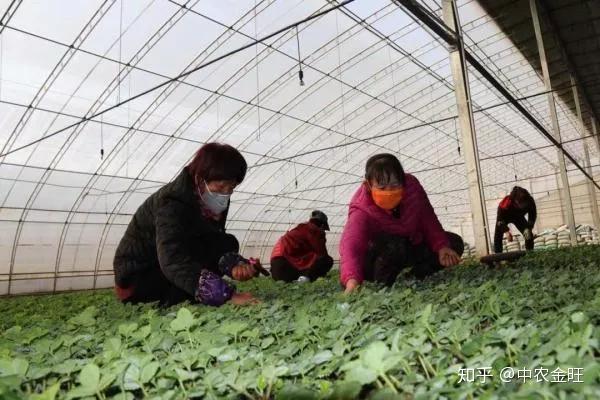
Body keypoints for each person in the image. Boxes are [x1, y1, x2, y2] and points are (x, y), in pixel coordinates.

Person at [113, 143, 264, 307]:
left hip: (163, 267)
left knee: (226, 242)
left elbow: (214, 242)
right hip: (138, 278)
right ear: (200, 179)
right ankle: (183, 296)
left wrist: (235, 265)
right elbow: (173, 258)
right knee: (189, 262)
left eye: (232, 187)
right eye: (221, 186)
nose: (226, 193)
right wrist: (228, 296)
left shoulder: (213, 201)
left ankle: (188, 294)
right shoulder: (171, 202)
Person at [340, 153, 464, 294]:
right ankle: (382, 285)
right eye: (381, 187)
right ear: (368, 185)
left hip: (409, 245)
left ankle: (415, 276)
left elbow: (427, 218)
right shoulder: (361, 207)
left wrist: (442, 246)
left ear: (403, 180)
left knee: (454, 243)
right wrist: (352, 280)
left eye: (394, 185)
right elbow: (351, 244)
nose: (389, 192)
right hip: (378, 257)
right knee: (394, 244)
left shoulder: (412, 188)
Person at [270, 210, 334, 282]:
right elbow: (322, 254)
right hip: (285, 265)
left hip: (277, 270)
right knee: (327, 260)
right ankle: (305, 278)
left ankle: (301, 278)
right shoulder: (315, 230)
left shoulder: (299, 229)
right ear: (322, 224)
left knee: (312, 258)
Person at [493, 186, 537, 253]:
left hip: (518, 217)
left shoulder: (529, 201)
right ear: (514, 200)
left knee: (528, 234)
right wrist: (506, 231)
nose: (522, 205)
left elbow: (532, 215)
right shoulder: (505, 203)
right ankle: (497, 256)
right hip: (505, 217)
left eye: (523, 203)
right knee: (498, 236)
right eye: (519, 203)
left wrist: (529, 227)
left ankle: (530, 252)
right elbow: (499, 220)